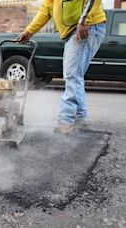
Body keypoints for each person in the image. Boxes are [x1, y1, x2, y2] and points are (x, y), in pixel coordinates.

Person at [19, 0, 106, 134]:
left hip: (86, 27)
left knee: (72, 75)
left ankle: (66, 121)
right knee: (75, 75)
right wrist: (29, 31)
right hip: (73, 31)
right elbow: (46, 10)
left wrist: (84, 21)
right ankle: (79, 119)